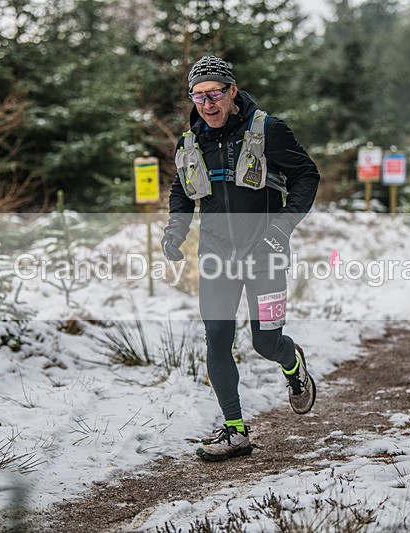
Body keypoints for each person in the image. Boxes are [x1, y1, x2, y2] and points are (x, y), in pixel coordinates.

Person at [161, 55, 320, 461]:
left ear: (232, 91)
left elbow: (307, 176)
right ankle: (235, 431)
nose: (207, 104)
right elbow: (182, 192)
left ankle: (291, 361)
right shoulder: (191, 142)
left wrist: (282, 227)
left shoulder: (268, 130)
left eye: (214, 93)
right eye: (198, 96)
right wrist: (175, 231)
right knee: (217, 338)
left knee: (266, 342)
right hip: (216, 256)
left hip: (266, 254)